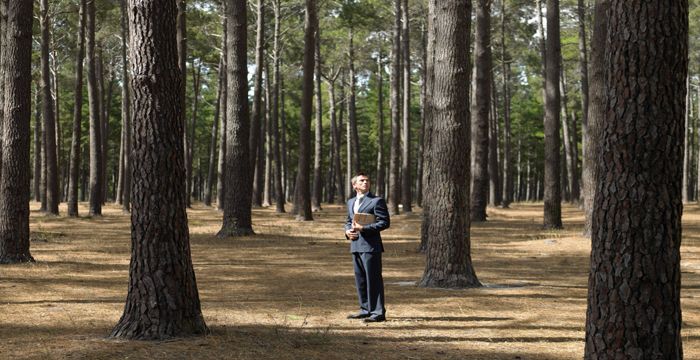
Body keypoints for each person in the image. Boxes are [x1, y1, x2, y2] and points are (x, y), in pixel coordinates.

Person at [344, 172, 390, 323]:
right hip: (355, 246)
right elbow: (348, 221)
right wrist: (347, 231)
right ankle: (365, 309)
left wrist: (364, 229)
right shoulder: (350, 202)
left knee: (373, 280)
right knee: (361, 280)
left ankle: (377, 313)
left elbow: (384, 222)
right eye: (362, 181)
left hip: (371, 247)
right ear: (354, 185)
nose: (365, 182)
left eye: (367, 180)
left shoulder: (377, 201)